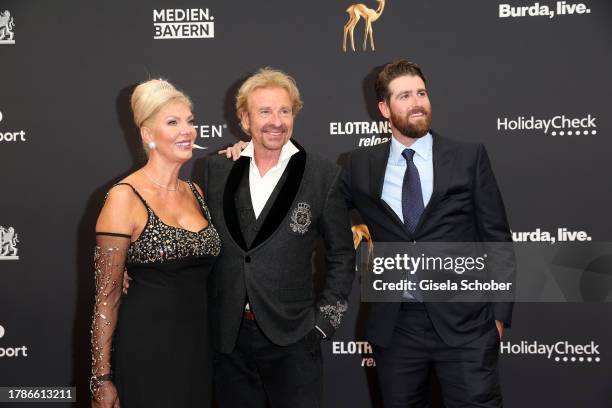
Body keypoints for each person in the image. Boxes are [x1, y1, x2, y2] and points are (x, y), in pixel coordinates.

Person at [342, 59, 514, 407]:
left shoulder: (468, 157)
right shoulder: (360, 165)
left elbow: (496, 237)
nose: (417, 102)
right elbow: (315, 197)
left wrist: (498, 316)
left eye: (421, 93)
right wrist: (252, 153)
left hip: (466, 324)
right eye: (404, 95)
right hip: (397, 327)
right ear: (384, 108)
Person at [201, 68, 355, 408]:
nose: (276, 121)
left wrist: (324, 323)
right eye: (265, 111)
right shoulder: (217, 170)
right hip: (228, 340)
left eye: (285, 111)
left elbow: (343, 256)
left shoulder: (323, 175)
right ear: (245, 119)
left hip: (295, 338)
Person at [90, 79, 220, 408]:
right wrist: (101, 380)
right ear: (148, 134)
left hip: (199, 350)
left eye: (190, 121)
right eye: (173, 122)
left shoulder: (197, 193)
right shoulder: (124, 197)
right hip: (147, 350)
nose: (187, 130)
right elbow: (105, 299)